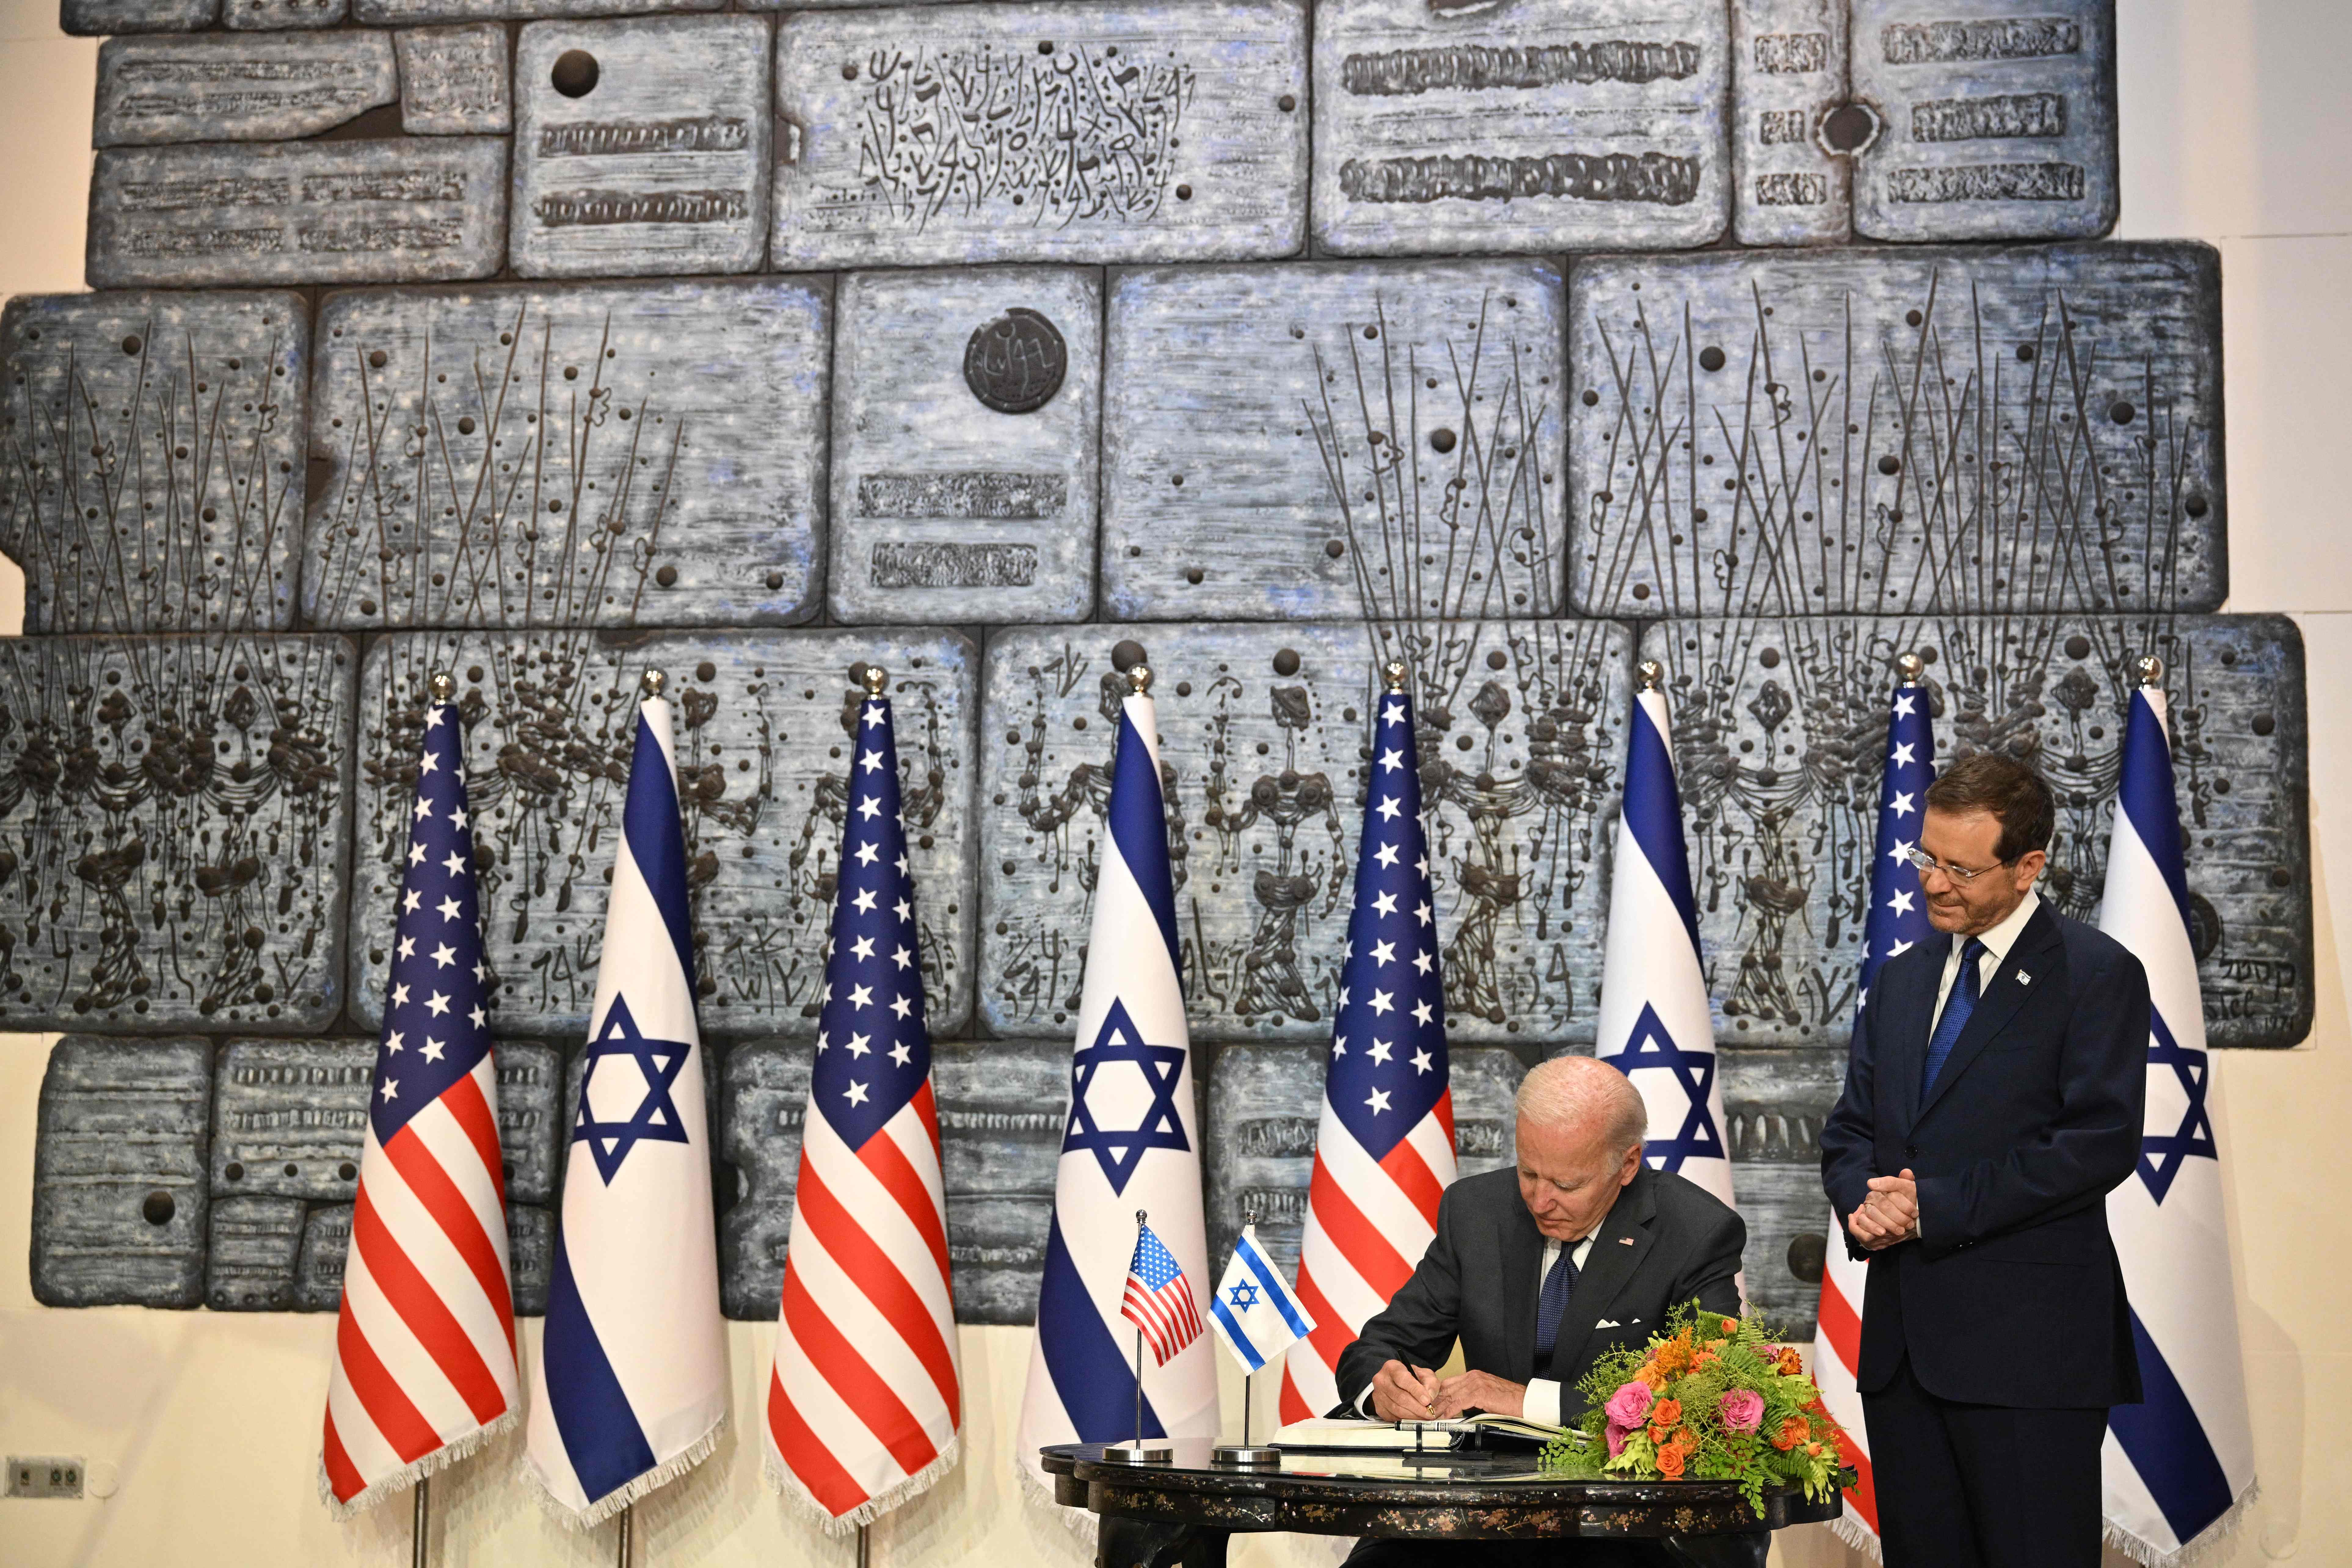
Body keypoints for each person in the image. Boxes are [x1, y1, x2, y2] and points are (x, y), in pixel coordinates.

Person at [1820, 752, 2149, 1568]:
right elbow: (1850, 1130)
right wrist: (1864, 1202)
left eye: (1959, 868)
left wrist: (1930, 1206)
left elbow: (2093, 1143)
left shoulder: (2094, 975)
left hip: (2026, 1357)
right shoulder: (1901, 981)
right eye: (1925, 857)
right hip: (1904, 1357)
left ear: (2027, 866)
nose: (1934, 882)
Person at [1332, 1055, 1750, 1568]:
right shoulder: (1475, 1211)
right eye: (1528, 1172)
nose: (1539, 1199)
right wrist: (1382, 1390)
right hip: (1479, 1507)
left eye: (1567, 1185)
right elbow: (1379, 1347)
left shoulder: (1696, 1232)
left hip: (1623, 1514)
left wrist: (1521, 1399)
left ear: (1627, 1164)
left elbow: (1704, 1401)